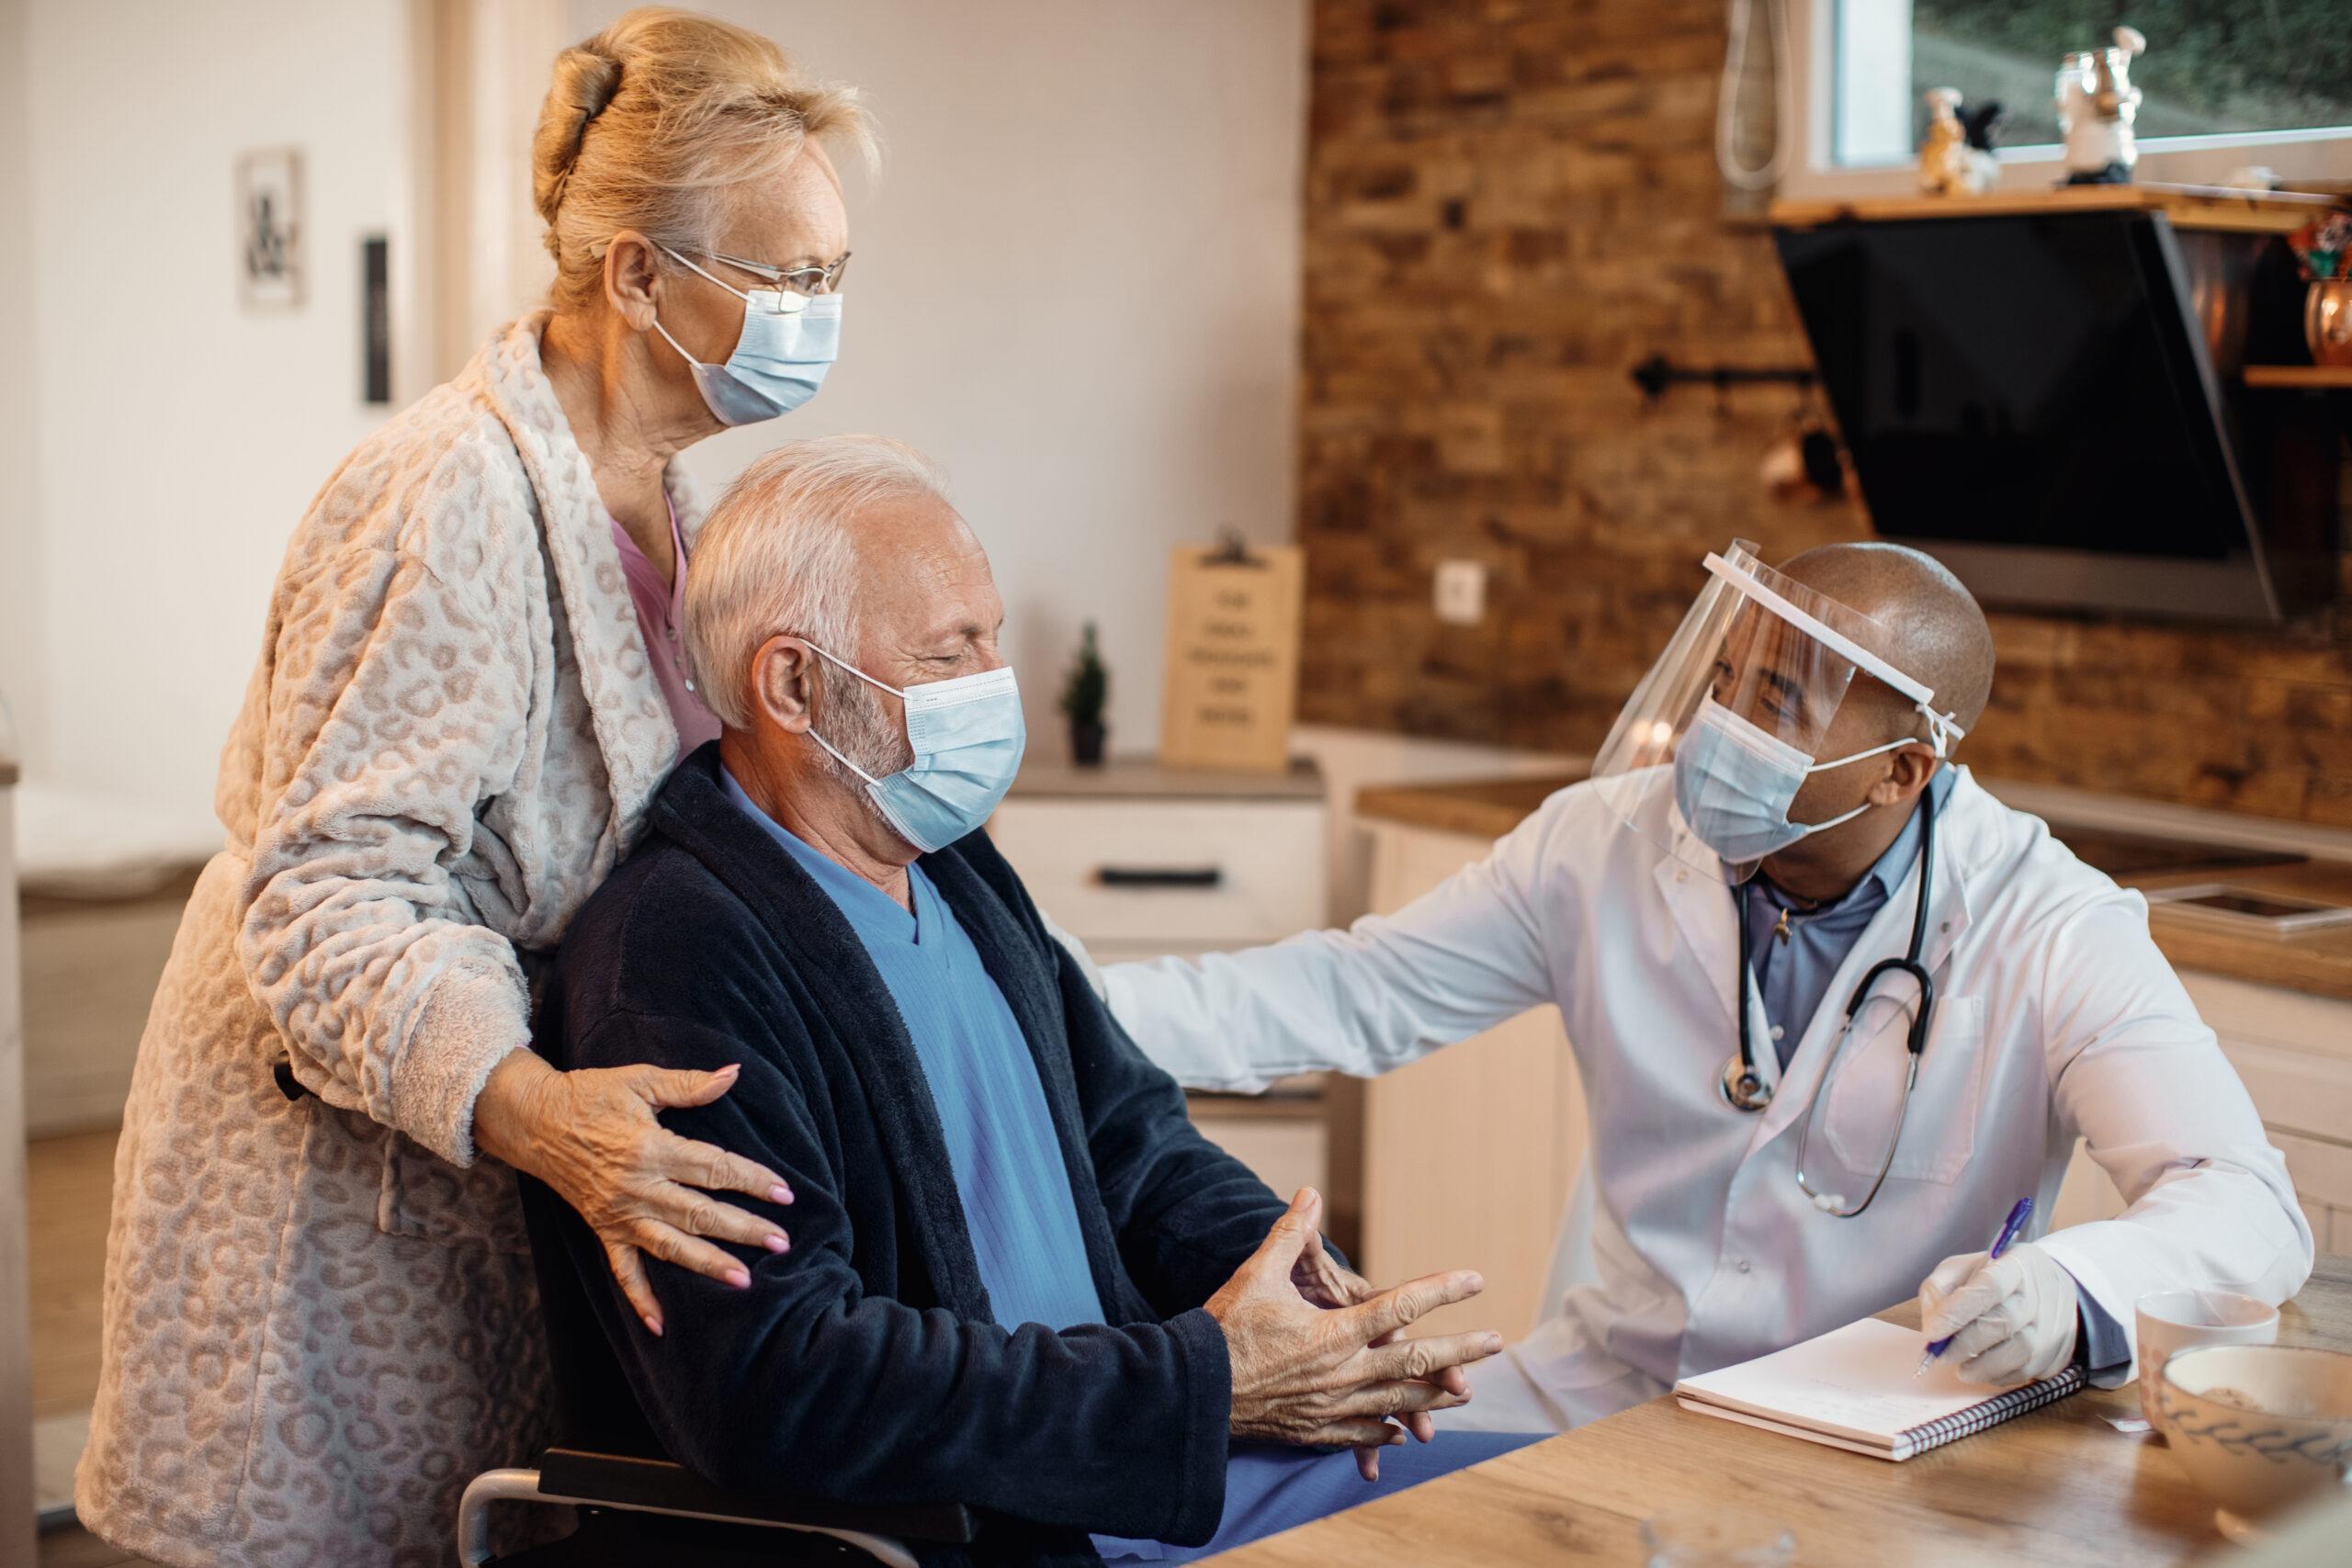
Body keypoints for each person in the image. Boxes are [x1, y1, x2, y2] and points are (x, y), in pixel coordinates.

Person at [79, 11, 873, 1563]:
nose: (819, 317)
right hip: (341, 1196)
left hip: (489, 1199)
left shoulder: (669, 500)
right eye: (785, 277)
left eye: (835, 276)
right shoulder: (446, 496)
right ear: (637, 275)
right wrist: (541, 1114)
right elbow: (325, 899)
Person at [530, 435, 1544, 1565]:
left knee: (1563, 1506)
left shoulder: (950, 863)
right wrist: (1207, 1385)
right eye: (951, 650)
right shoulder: (676, 955)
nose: (993, 682)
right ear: (792, 684)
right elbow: (779, 1380)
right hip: (1010, 1524)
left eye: (992, 638)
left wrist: (1294, 1297)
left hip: (1158, 1465)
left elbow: (1131, 1137)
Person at [1095, 540, 2314, 1431]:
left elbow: (2247, 1206)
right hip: (1597, 1393)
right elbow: (1348, 990)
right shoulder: (1603, 842)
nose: (1717, 727)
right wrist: (1048, 1000)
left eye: (1778, 704)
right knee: (1276, 1517)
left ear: (1901, 768)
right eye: (1727, 679)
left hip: (1879, 1429)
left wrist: (2074, 1281)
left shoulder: (2049, 922)